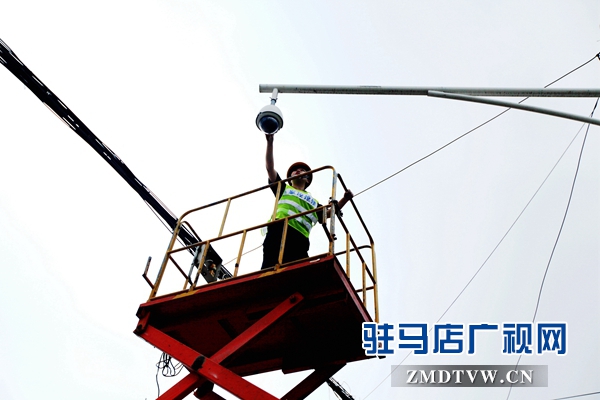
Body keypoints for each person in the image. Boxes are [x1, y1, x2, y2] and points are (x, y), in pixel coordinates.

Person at [261, 133, 353, 269]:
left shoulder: (313, 202)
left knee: (299, 269)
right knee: (270, 266)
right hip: (278, 230)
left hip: (300, 238)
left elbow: (328, 214)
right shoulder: (283, 188)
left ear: (308, 179)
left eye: (302, 170)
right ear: (290, 178)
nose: (298, 171)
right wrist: (270, 143)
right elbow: (270, 168)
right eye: (295, 171)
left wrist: (345, 199)